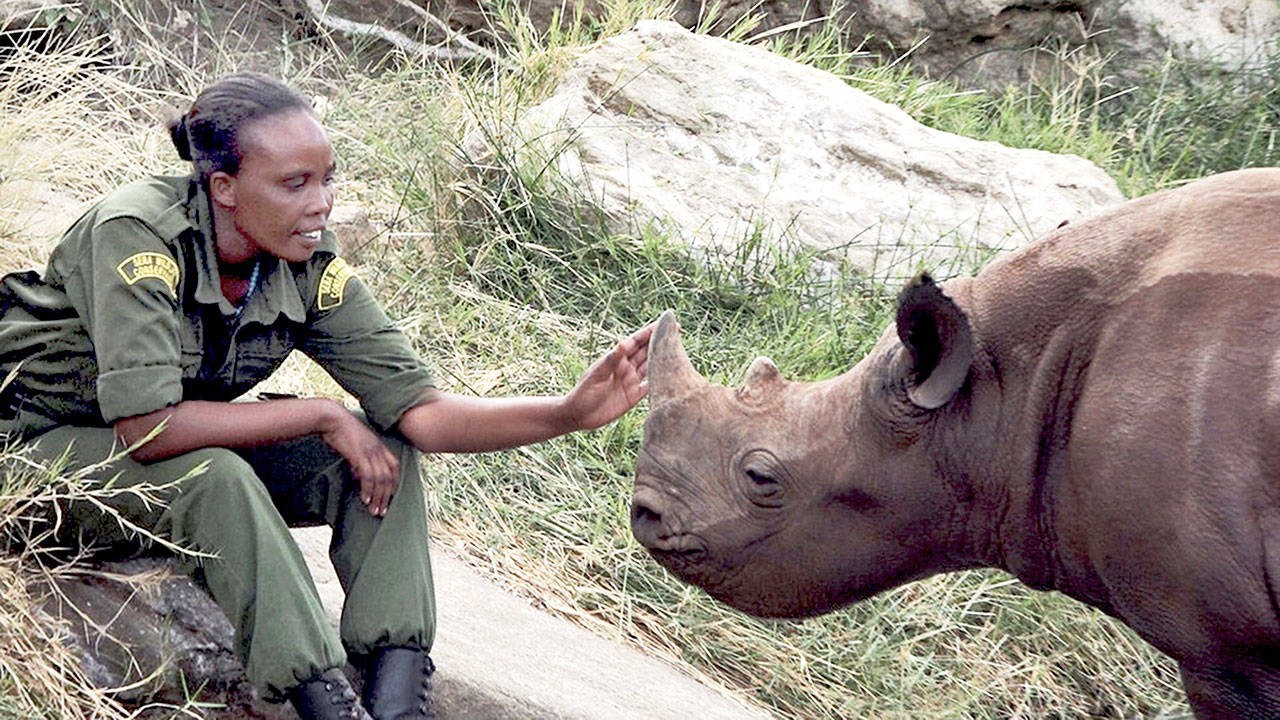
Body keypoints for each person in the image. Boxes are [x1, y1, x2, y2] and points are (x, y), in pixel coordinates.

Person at [0, 72, 653, 720]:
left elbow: (422, 415)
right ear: (223, 187)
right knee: (217, 474)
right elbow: (147, 430)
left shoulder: (300, 260)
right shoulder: (137, 234)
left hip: (152, 465)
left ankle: (398, 698)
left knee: (380, 445)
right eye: (294, 183)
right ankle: (324, 703)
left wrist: (566, 413)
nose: (321, 204)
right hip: (32, 460)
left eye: (327, 178)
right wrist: (321, 412)